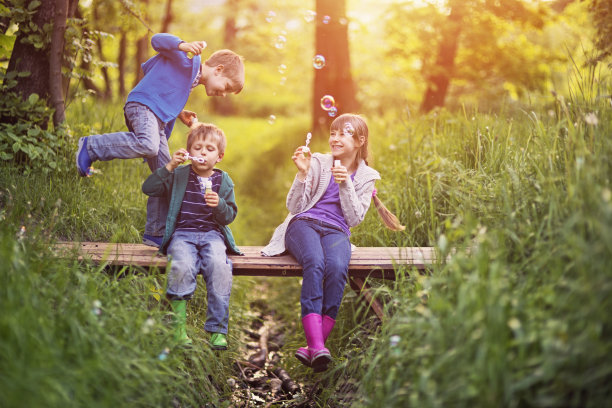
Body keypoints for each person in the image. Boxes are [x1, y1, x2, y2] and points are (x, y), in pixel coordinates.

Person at [261, 114, 404, 372]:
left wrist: (345, 184)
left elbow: (354, 219)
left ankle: (315, 347)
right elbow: (295, 207)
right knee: (315, 262)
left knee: (337, 269)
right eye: (333, 133)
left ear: (360, 141)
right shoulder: (317, 161)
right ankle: (317, 344)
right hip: (303, 224)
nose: (334, 138)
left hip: (337, 231)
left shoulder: (367, 176)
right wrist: (303, 174)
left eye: (343, 133)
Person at [76, 33, 245, 248]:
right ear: (218, 70)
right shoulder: (187, 60)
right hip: (143, 105)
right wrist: (183, 45)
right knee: (148, 144)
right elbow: (157, 40)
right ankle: (92, 146)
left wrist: (178, 112)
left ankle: (155, 232)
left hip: (156, 117)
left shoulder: (189, 83)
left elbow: (164, 89)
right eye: (227, 87)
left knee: (169, 176)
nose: (224, 95)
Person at [142, 122, 241, 349]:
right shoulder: (179, 175)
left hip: (212, 235)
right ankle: (178, 330)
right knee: (182, 266)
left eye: (209, 149)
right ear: (189, 152)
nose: (203, 152)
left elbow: (229, 216)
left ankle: (217, 331)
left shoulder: (223, 180)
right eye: (197, 148)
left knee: (219, 267)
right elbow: (149, 188)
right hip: (182, 235)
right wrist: (169, 166)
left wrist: (219, 205)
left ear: (219, 156)